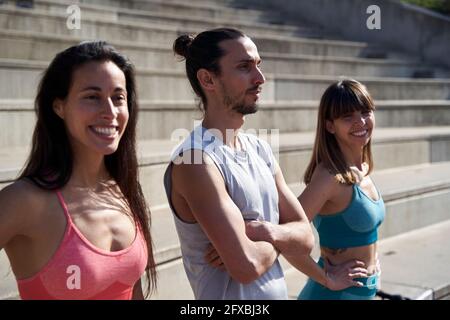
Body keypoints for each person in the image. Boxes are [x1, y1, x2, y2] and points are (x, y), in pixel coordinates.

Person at [163, 28, 314, 300]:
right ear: (208, 79)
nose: (260, 78)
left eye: (258, 65)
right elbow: (247, 265)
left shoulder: (260, 148)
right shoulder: (195, 160)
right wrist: (283, 238)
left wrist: (266, 232)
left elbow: (307, 237)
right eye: (244, 67)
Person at [0, 41, 156, 300]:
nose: (110, 112)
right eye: (92, 97)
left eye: (118, 97)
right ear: (59, 106)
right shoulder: (25, 200)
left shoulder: (122, 188)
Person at [293, 79, 385, 300]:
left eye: (365, 111)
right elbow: (287, 232)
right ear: (330, 125)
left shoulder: (362, 168)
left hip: (363, 291)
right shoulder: (329, 177)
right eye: (347, 116)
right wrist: (326, 278)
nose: (360, 121)